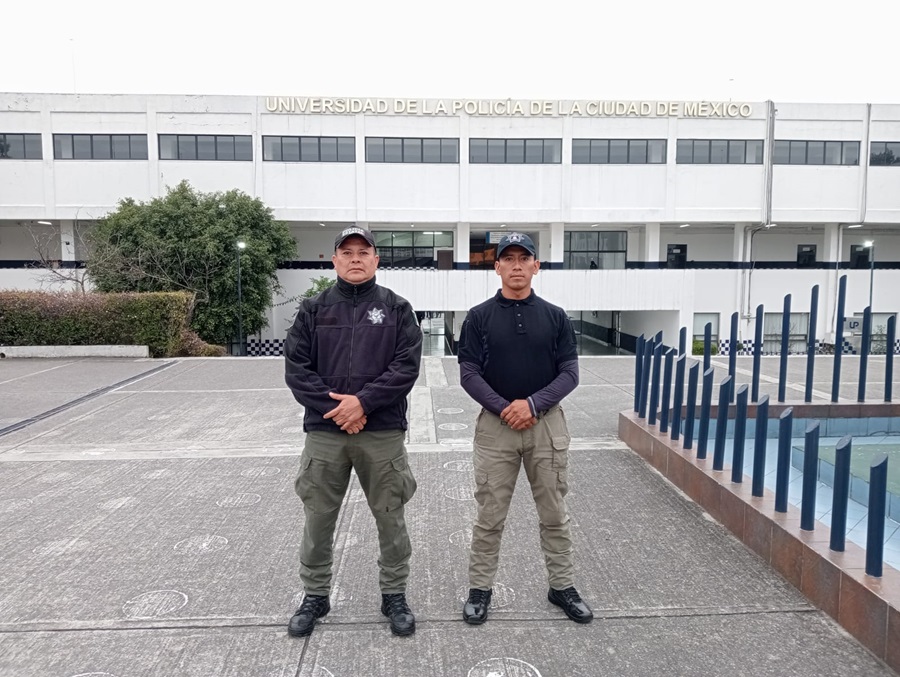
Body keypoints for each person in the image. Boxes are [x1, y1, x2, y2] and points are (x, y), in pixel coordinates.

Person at [284, 226, 423, 637]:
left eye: (364, 252)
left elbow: (405, 368)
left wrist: (362, 403)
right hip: (325, 433)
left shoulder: (397, 309)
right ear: (335, 260)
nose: (356, 258)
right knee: (318, 516)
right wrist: (338, 409)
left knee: (390, 515)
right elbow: (297, 370)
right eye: (348, 252)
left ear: (377, 260)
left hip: (381, 433)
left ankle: (394, 594)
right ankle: (315, 595)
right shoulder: (313, 310)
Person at [457, 231, 593, 626]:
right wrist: (505, 408)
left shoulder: (555, 316)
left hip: (546, 426)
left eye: (524, 258)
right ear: (496, 266)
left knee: (554, 512)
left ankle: (562, 585)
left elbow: (570, 373)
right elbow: (468, 372)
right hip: (495, 429)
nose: (516, 265)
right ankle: (480, 589)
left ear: (537, 266)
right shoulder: (479, 317)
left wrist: (533, 404)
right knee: (490, 515)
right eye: (508, 258)